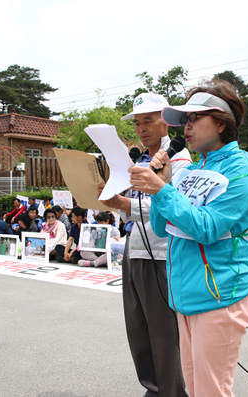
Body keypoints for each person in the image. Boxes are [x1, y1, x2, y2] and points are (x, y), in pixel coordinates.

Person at [129, 81, 248, 397]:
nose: (186, 128)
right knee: (195, 387)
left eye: (194, 119)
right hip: (184, 296)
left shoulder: (242, 169)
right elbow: (162, 228)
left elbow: (208, 227)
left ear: (221, 122)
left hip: (220, 298)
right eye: (184, 120)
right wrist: (162, 186)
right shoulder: (192, 168)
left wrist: (162, 190)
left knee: (212, 391)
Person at [99, 92, 191, 397]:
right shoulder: (139, 159)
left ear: (165, 122)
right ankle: (155, 389)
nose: (141, 128)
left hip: (161, 256)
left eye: (148, 120)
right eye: (137, 123)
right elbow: (135, 204)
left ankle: (171, 392)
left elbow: (171, 207)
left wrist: (123, 203)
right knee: (139, 332)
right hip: (134, 250)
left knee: (164, 336)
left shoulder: (179, 159)